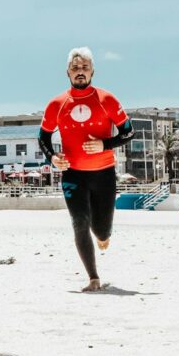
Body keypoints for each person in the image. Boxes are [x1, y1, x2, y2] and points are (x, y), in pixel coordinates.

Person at [39, 47, 133, 292]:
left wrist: (105, 144)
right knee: (79, 221)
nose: (80, 72)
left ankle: (103, 236)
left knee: (100, 229)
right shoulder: (57, 104)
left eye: (84, 68)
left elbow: (128, 132)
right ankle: (93, 277)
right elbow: (43, 137)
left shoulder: (107, 99)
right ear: (67, 72)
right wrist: (53, 158)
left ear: (92, 71)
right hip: (73, 174)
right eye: (75, 68)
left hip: (103, 174)